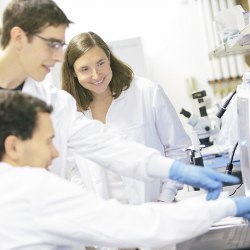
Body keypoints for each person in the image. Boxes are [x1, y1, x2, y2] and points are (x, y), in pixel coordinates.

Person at [0, 0, 240, 203]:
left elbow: (107, 147)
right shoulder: (60, 101)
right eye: (52, 44)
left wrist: (172, 170)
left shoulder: (55, 102)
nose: (59, 55)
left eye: (61, 45)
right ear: (19, 37)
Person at [1, 90, 250, 250]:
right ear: (13, 146)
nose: (56, 154)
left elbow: (107, 146)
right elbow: (141, 225)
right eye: (48, 142)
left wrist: (170, 168)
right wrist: (228, 206)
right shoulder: (32, 189)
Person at [61, 31, 191, 204]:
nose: (96, 75)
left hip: (156, 209)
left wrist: (166, 197)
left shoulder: (146, 92)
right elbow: (75, 169)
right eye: (85, 69)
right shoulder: (72, 111)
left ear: (109, 58)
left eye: (100, 63)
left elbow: (178, 149)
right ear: (74, 73)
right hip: (107, 219)